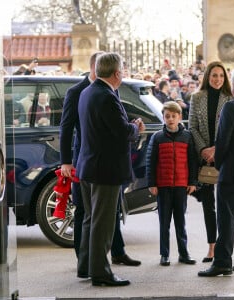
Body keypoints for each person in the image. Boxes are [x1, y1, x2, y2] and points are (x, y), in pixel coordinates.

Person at [60, 51, 141, 266]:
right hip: (103, 168)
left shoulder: (89, 92)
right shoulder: (103, 94)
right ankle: (100, 271)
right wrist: (135, 128)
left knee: (92, 220)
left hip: (90, 165)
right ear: (116, 73)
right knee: (100, 223)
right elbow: (121, 131)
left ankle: (86, 266)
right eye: (122, 71)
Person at [198, 67, 234, 277]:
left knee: (226, 218)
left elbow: (223, 142)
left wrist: (218, 163)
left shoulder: (232, 107)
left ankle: (222, 262)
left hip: (232, 172)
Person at [188, 61, 232, 263]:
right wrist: (204, 149)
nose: (218, 79)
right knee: (208, 205)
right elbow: (192, 127)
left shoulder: (230, 99)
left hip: (224, 157)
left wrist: (217, 149)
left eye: (221, 76)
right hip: (204, 158)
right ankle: (212, 247)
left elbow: (232, 130)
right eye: (214, 75)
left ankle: (225, 248)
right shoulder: (197, 98)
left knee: (225, 205)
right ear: (208, 76)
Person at [146, 101, 197, 266]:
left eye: (173, 116)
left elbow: (192, 161)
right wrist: (152, 183)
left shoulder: (187, 136)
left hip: (181, 185)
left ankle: (184, 253)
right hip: (163, 186)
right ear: (163, 117)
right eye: (167, 116)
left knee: (180, 221)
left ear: (179, 117)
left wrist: (192, 182)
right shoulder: (157, 137)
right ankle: (164, 254)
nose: (170, 119)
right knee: (164, 222)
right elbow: (151, 162)